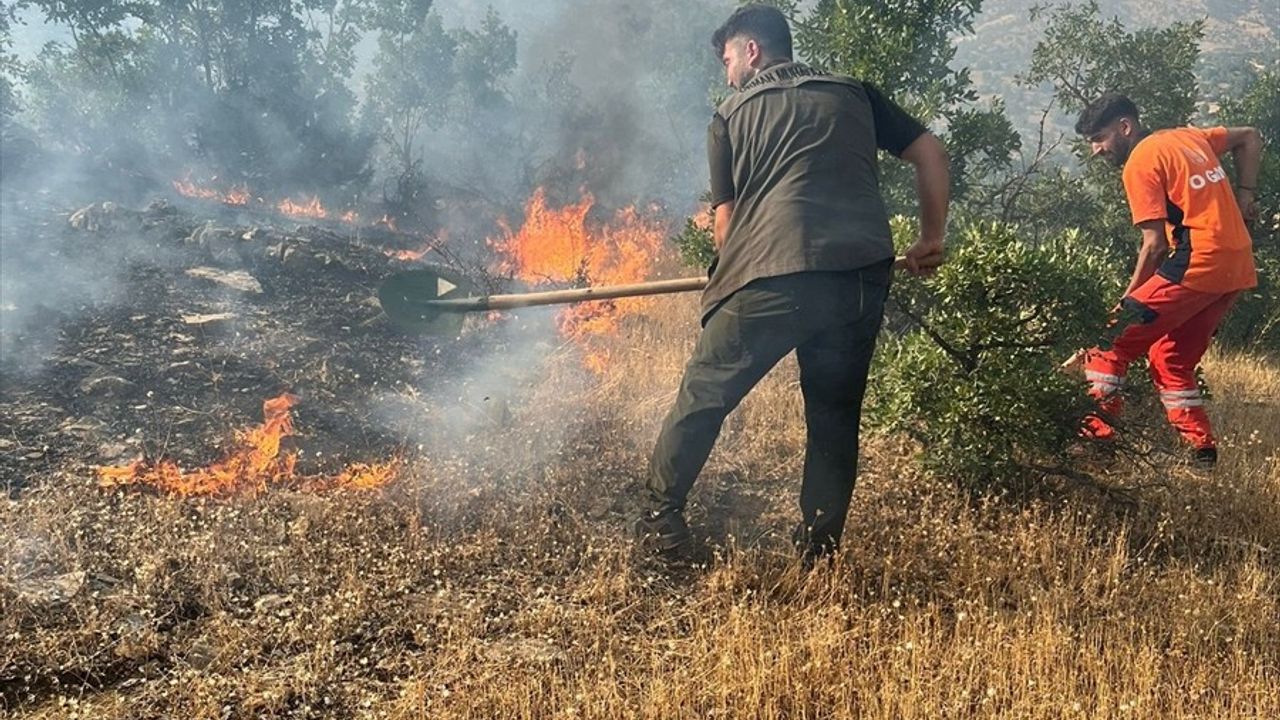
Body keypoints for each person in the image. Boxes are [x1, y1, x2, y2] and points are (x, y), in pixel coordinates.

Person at [636, 4, 950, 562]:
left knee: (705, 394)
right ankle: (819, 550)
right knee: (832, 413)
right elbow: (929, 150)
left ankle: (661, 526)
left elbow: (727, 225)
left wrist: (728, 281)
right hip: (858, 278)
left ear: (751, 50)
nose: (726, 71)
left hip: (770, 276)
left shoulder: (729, 115)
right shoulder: (855, 93)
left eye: (727, 57)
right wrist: (930, 237)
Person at [1075, 92, 1261, 467]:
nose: (1096, 150)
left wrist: (1123, 305)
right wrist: (1245, 196)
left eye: (1099, 139)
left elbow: (1155, 246)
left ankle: (1098, 446)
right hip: (1236, 266)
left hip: (1199, 263)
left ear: (1125, 127)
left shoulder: (1139, 163)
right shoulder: (1187, 136)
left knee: (1108, 344)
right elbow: (1251, 137)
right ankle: (1202, 454)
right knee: (1170, 358)